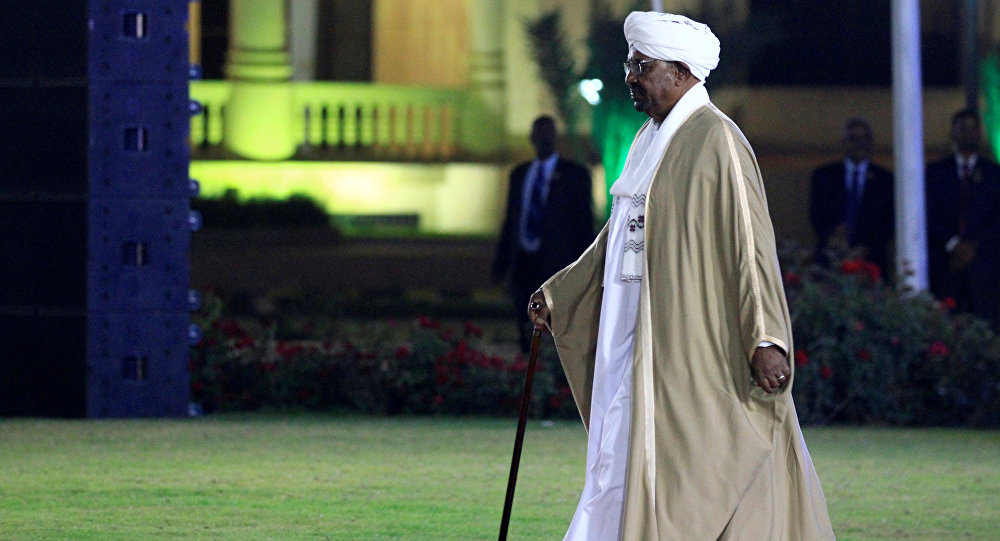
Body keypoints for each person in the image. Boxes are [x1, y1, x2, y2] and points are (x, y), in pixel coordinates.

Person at [526, 12, 835, 540]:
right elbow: (620, 233)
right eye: (631, 65)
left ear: (682, 71)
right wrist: (561, 292)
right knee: (620, 453)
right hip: (630, 336)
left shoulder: (717, 138)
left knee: (705, 460)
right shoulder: (649, 139)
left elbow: (750, 243)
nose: (630, 77)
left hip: (688, 342)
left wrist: (765, 336)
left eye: (642, 66)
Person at [492, 115, 595, 353]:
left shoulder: (575, 175)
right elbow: (511, 221)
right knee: (523, 318)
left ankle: (550, 362)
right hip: (524, 261)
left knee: (555, 322)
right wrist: (501, 264)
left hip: (556, 263)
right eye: (539, 133)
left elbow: (583, 223)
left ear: (555, 137)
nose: (543, 138)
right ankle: (526, 360)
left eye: (548, 133)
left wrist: (585, 267)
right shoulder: (519, 174)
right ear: (532, 137)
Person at [925, 109, 1000, 326]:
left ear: (980, 133)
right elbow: (928, 214)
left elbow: (997, 218)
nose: (968, 133)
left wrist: (973, 247)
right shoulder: (935, 172)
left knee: (984, 329)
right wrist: (953, 244)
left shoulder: (995, 173)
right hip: (945, 265)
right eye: (962, 128)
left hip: (984, 269)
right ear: (953, 133)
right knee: (943, 328)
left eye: (973, 129)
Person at [809, 118, 895, 273]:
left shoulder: (885, 179)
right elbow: (817, 214)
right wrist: (832, 237)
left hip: (871, 263)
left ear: (871, 142)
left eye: (864, 138)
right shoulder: (824, 175)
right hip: (831, 260)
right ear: (844, 143)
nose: (859, 144)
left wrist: (866, 247)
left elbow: (889, 221)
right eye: (853, 138)